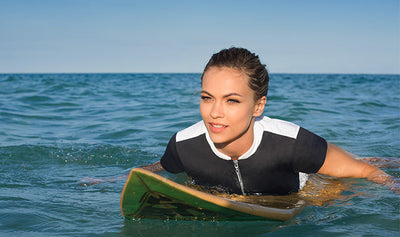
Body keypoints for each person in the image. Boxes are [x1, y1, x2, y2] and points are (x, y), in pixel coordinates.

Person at [144, 47, 399, 195]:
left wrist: (393, 187)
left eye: (232, 100)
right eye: (207, 97)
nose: (214, 112)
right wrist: (114, 180)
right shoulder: (183, 145)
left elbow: (366, 172)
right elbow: (162, 166)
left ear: (258, 106)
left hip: (309, 182)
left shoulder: (291, 143)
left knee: (342, 180)